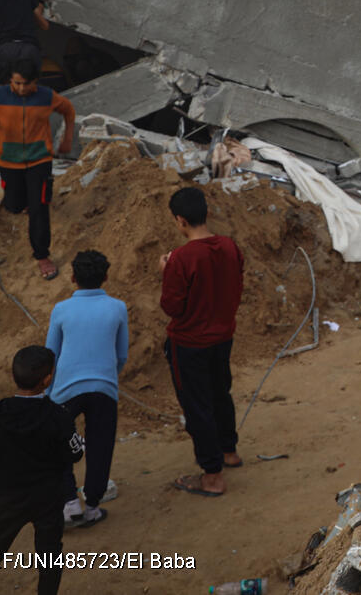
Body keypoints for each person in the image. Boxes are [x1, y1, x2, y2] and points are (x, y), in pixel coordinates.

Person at [0, 345, 84, 595]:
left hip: (9, 499)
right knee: (49, 558)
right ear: (47, 379)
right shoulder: (59, 416)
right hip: (48, 498)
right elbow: (75, 453)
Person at [160, 186, 245, 497]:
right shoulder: (229, 247)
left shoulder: (181, 259)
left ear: (180, 220)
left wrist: (166, 270)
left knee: (197, 405)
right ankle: (228, 451)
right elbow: (237, 283)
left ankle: (212, 476)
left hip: (190, 342)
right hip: (223, 336)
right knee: (220, 393)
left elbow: (172, 306)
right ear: (206, 214)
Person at [0, 58, 76, 281]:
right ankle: (24, 202)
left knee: (39, 208)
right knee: (14, 204)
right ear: (10, 81)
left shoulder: (47, 96)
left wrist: (67, 139)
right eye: (17, 83)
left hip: (39, 160)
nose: (22, 88)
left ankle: (42, 255)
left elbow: (68, 110)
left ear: (36, 81)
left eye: (27, 84)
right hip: (9, 161)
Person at [45, 249, 128, 528]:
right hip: (104, 388)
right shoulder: (118, 307)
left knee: (58, 445)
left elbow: (51, 354)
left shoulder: (61, 309)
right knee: (101, 445)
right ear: (106, 277)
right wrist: (107, 376)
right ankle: (92, 506)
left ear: (72, 277)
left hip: (65, 390)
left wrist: (48, 391)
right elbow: (122, 355)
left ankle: (69, 504)